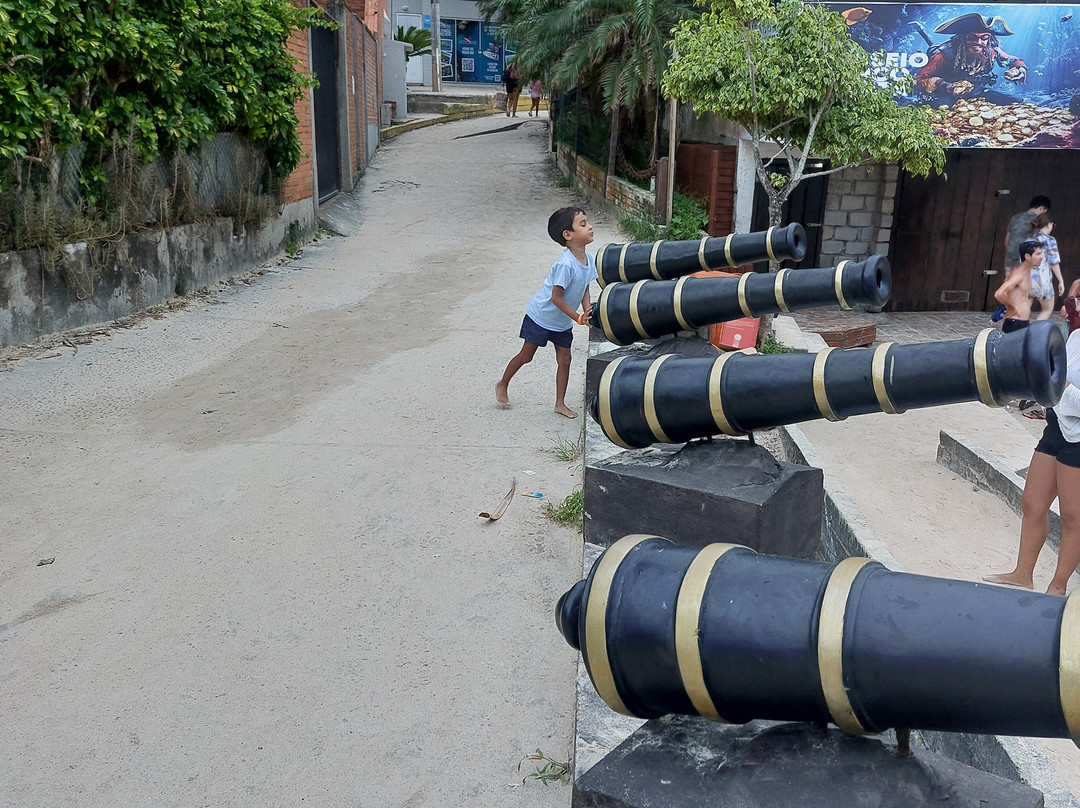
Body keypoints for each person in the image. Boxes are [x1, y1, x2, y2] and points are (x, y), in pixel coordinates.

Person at [983, 312, 1080, 596]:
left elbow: (1059, 382)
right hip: (1058, 426)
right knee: (1032, 503)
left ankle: (1057, 588)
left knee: (1073, 517)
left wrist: (1060, 387)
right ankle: (1022, 575)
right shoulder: (1075, 337)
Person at [495, 207, 596, 419]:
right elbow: (556, 298)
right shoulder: (565, 264)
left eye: (588, 222)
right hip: (541, 317)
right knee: (526, 356)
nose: (590, 227)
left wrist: (587, 309)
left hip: (561, 323)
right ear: (568, 235)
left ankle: (560, 403)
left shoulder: (588, 258)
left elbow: (585, 287)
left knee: (565, 359)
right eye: (583, 224)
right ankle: (503, 383)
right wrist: (578, 317)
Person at [994, 239, 1044, 333]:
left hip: (1023, 322)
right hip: (1014, 322)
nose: (1042, 257)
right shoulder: (1018, 275)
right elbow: (999, 293)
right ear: (1027, 256)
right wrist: (1011, 307)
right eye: (1038, 254)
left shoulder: (1027, 273)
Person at [1027, 213, 1065, 321]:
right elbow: (1054, 262)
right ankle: (1034, 334)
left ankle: (1018, 334)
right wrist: (1061, 280)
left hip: (1027, 279)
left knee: (1024, 309)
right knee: (1047, 309)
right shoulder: (1050, 240)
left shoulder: (1028, 238)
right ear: (1049, 224)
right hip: (1043, 280)